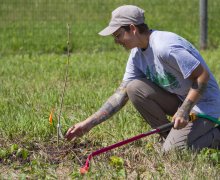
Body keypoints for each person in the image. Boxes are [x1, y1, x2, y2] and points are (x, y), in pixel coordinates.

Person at [65, 5, 220, 151]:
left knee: (174, 152)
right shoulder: (137, 54)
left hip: (205, 105)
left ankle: (214, 136)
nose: (116, 41)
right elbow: (121, 94)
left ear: (132, 29)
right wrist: (87, 124)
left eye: (118, 35)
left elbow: (202, 76)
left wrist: (184, 111)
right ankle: (170, 138)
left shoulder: (165, 47)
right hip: (181, 100)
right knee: (134, 88)